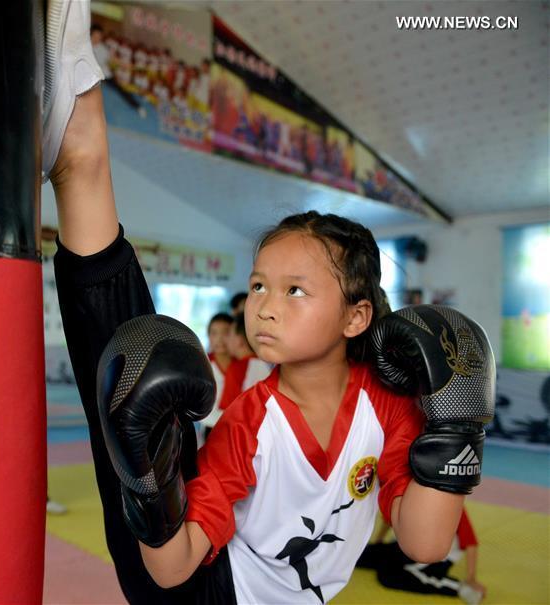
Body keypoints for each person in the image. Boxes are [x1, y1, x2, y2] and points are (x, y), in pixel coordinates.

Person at [43, 6, 493, 602]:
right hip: (204, 588)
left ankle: (80, 155)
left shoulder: (384, 408)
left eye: (295, 290)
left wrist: (458, 421)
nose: (265, 306)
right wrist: (147, 483)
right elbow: (172, 571)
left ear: (357, 316)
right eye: (258, 286)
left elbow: (425, 545)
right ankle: (80, 154)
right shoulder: (249, 422)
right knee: (130, 364)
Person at [356, 508, 486, 605]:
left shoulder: (449, 501)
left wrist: (471, 577)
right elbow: (389, 517)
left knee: (388, 576)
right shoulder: (401, 487)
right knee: (361, 556)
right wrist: (378, 543)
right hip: (405, 545)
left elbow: (470, 542)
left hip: (433, 556)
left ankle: (458, 587)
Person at [218, 314, 271, 411]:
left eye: (229, 334)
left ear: (239, 340)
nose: (226, 339)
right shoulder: (268, 364)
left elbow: (228, 410)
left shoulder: (237, 368)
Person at [199, 313, 234, 441]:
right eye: (214, 333)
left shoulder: (244, 365)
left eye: (226, 333)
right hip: (210, 427)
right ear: (209, 336)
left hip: (237, 429)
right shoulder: (203, 364)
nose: (219, 339)